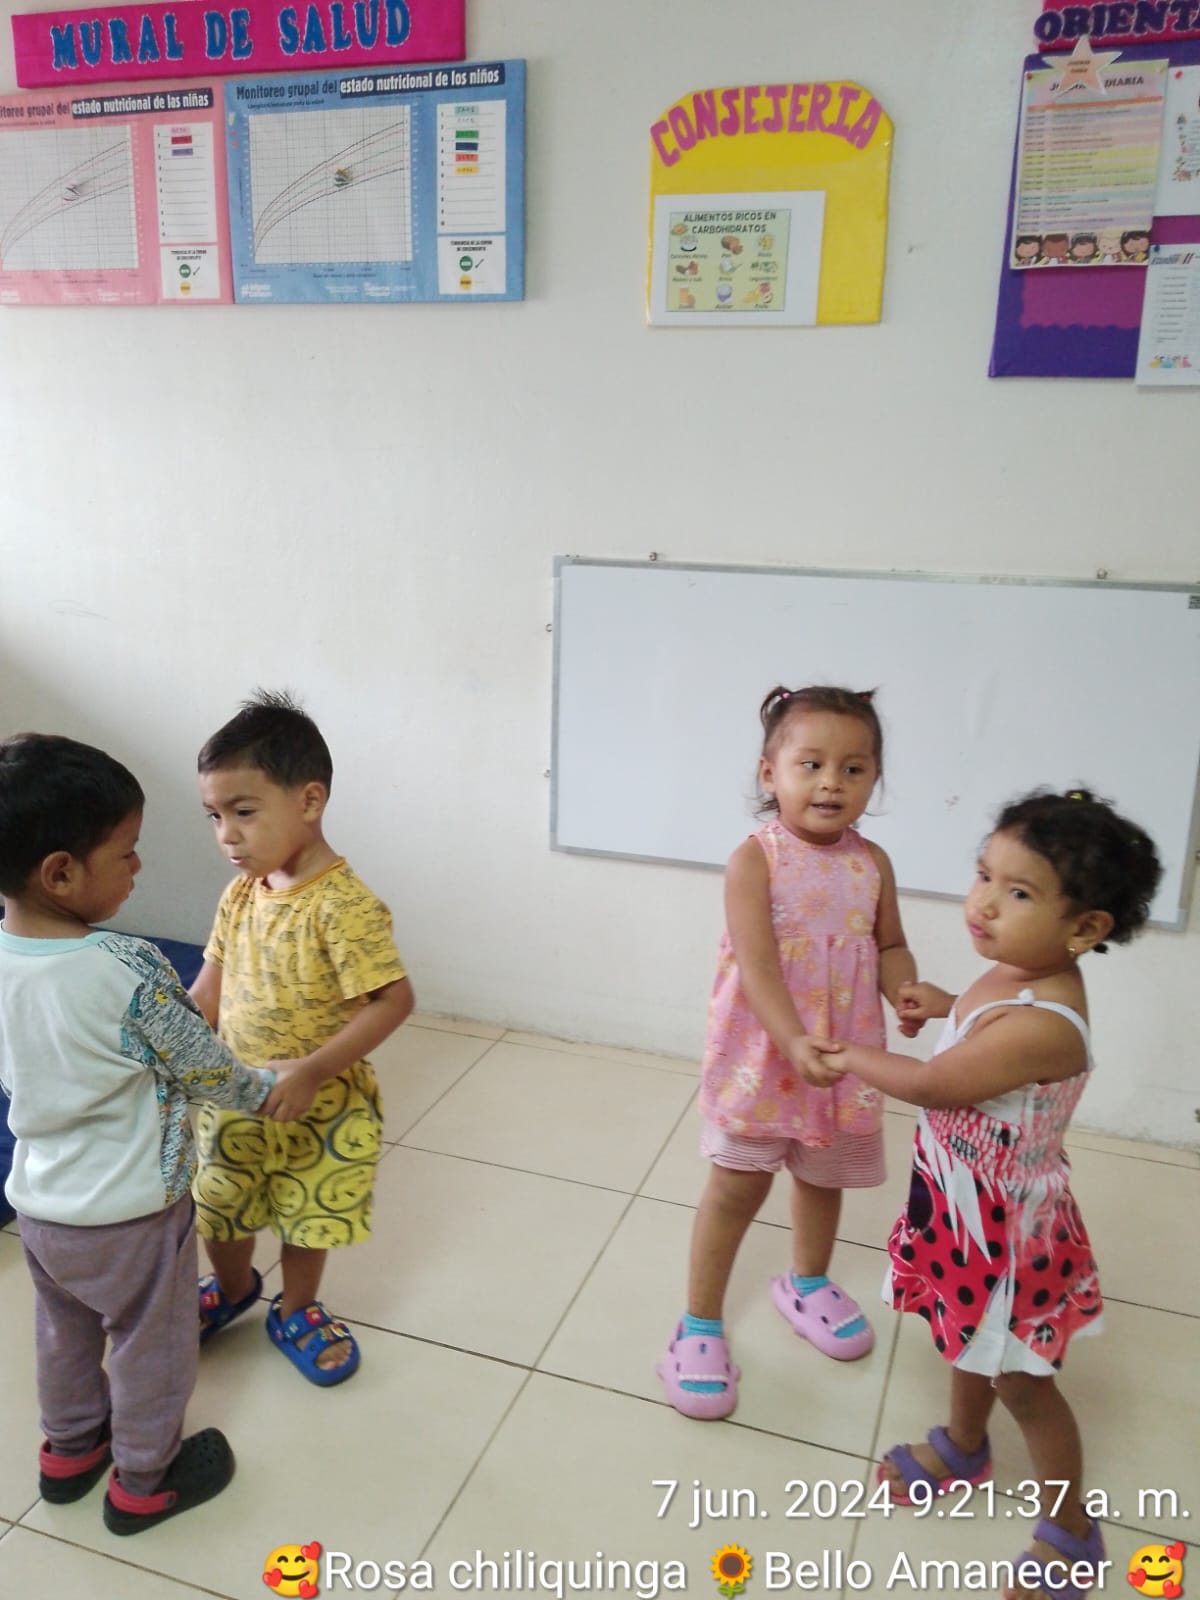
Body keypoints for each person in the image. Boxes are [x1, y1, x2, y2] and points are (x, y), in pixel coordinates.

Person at [812, 788, 1162, 1600]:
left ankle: (1070, 1533)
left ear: (1086, 929)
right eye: (983, 875)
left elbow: (934, 1084)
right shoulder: (1016, 974)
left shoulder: (1048, 1022)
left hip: (1005, 1240)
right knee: (962, 1335)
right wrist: (947, 1005)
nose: (984, 903)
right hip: (960, 1213)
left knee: (1024, 1386)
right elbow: (979, 1022)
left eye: (1019, 892)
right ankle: (966, 1446)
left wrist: (849, 1056)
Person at [0, 733, 297, 1534]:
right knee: (150, 1345)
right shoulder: (124, 969)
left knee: (63, 1334)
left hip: (40, 1206)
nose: (139, 865)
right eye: (126, 851)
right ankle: (144, 1478)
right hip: (132, 1213)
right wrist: (268, 1087)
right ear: (60, 872)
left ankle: (69, 1451)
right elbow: (204, 1067)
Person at [658, 684, 921, 1420]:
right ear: (770, 774)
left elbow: (889, 945)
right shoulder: (756, 861)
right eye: (811, 764)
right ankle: (698, 1323)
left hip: (840, 1055)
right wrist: (792, 1039)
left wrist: (904, 990)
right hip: (764, 1056)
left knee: (822, 1174)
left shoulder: (873, 862)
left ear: (873, 779)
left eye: (853, 768)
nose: (831, 782)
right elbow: (759, 965)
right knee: (737, 1186)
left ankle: (806, 1282)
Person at [191, 691, 414, 1385]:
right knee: (220, 1206)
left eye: (244, 811)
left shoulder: (344, 906)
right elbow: (207, 992)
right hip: (233, 1099)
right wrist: (164, 1045)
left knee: (307, 1214)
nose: (227, 835)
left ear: (310, 800)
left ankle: (296, 1307)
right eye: (215, 816)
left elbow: (394, 1000)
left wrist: (314, 1069)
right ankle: (233, 1289)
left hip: (322, 1106)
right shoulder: (241, 894)